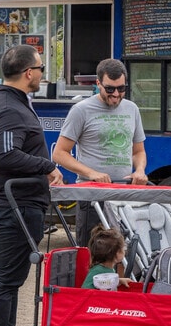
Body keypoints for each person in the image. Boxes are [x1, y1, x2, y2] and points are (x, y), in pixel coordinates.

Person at [0, 44, 64, 326]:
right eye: (41, 68)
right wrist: (47, 165)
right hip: (13, 204)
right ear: (29, 73)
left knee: (12, 279)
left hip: (23, 203)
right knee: (6, 279)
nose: (43, 74)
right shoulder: (8, 110)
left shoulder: (14, 104)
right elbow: (7, 156)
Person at [52, 58, 147, 247]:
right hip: (93, 198)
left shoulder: (132, 109)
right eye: (110, 89)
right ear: (98, 84)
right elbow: (59, 153)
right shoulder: (81, 110)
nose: (116, 94)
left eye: (121, 89)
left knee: (125, 255)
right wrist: (91, 174)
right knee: (92, 257)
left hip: (123, 196)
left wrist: (140, 170)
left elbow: (138, 151)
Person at [82, 225, 131, 290]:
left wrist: (119, 280)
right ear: (117, 253)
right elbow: (85, 290)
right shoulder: (98, 271)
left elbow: (104, 282)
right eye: (123, 248)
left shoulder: (105, 268)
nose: (124, 250)